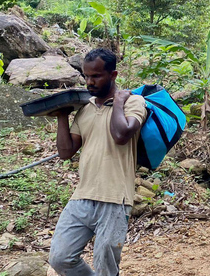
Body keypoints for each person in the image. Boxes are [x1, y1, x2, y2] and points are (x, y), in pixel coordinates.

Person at [48, 48, 147, 276]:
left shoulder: (134, 102)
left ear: (113, 75)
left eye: (96, 76)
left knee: (105, 265)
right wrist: (62, 116)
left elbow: (121, 135)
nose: (89, 82)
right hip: (82, 196)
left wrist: (119, 102)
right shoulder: (85, 109)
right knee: (60, 257)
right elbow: (65, 152)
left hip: (115, 198)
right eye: (86, 76)